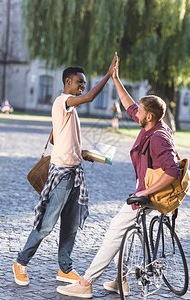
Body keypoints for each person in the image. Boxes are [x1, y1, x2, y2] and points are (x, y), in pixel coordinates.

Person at [56, 57, 181, 298]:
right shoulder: (151, 125)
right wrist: (115, 78)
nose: (136, 114)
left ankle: (86, 283)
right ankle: (120, 280)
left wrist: (144, 192)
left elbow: (173, 170)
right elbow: (129, 105)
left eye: (141, 112)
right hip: (145, 191)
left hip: (148, 196)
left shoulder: (158, 138)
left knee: (114, 232)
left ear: (150, 117)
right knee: (124, 232)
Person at [12, 53, 118, 286]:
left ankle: (65, 268)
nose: (83, 86)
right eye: (79, 81)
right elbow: (90, 97)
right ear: (67, 81)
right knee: (47, 224)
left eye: (84, 83)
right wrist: (109, 75)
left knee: (70, 226)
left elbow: (61, 139)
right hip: (61, 175)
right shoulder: (62, 101)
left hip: (74, 173)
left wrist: (86, 154)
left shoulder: (69, 109)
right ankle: (20, 262)